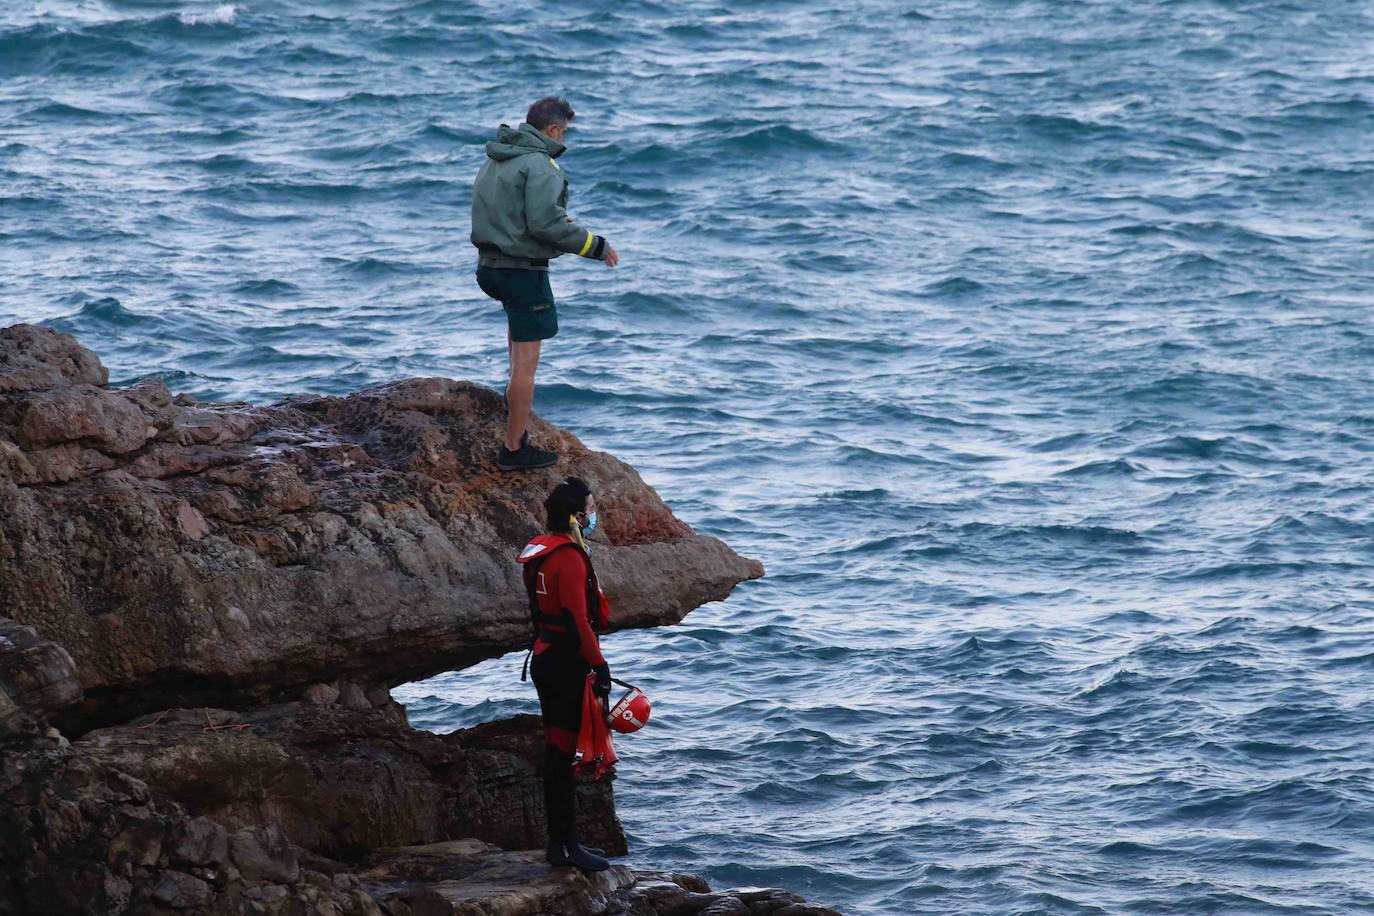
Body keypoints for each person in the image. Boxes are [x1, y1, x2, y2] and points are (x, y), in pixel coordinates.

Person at [471, 96, 619, 472]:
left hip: (490, 267)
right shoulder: (541, 165)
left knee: (515, 352)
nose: (563, 137)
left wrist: (554, 228)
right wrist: (595, 246)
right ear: (553, 129)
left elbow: (515, 215)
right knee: (526, 366)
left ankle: (515, 422)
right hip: (522, 272)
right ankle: (514, 449)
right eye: (564, 131)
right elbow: (543, 224)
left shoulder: (498, 157)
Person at [517, 477, 614, 871]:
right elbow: (577, 618)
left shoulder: (540, 551)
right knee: (563, 755)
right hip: (565, 663)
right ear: (575, 516)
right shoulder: (570, 558)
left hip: (544, 656)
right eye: (590, 510)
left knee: (556, 752)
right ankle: (568, 847)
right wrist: (599, 665)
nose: (593, 516)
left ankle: (561, 846)